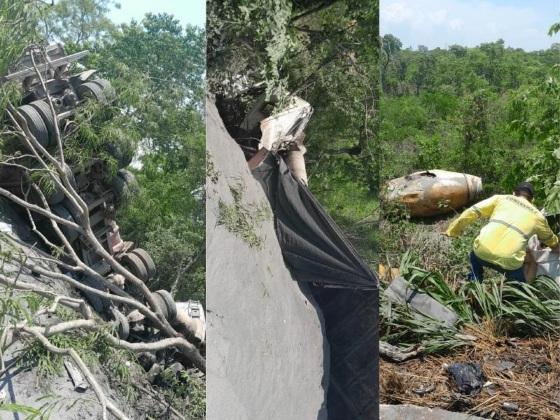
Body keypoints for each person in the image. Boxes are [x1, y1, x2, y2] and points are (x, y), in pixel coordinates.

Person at [445, 182, 560, 282]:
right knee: (532, 262)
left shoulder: (500, 198)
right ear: (532, 200)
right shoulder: (538, 216)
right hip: (509, 262)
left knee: (474, 255)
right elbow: (552, 242)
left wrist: (452, 231)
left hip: (482, 252)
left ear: (514, 193)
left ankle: (475, 280)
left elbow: (472, 211)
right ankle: (518, 290)